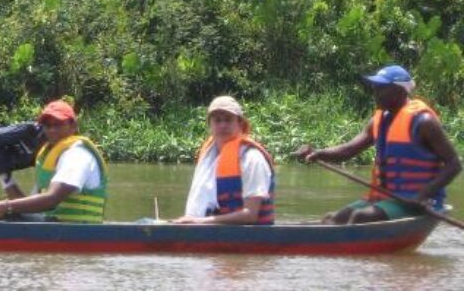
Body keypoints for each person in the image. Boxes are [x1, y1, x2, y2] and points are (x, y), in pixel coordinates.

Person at [296, 64, 461, 224]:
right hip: (386, 198)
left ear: (399, 91)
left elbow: (454, 164)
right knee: (331, 219)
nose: (375, 93)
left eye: (381, 88)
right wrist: (317, 153)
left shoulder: (424, 122)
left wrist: (422, 195)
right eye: (375, 87)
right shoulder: (378, 120)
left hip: (418, 202)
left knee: (361, 217)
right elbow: (349, 150)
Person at [0, 100, 108, 223]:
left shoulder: (77, 155)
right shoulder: (47, 156)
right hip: (55, 229)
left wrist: (4, 206)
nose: (52, 130)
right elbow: (27, 206)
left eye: (58, 124)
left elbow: (52, 199)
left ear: (73, 126)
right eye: (47, 125)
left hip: (78, 233)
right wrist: (4, 176)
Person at [174, 95, 275, 225]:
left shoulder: (252, 158)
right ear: (210, 125)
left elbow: (250, 215)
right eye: (217, 120)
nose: (222, 125)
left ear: (240, 124)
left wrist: (200, 221)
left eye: (228, 120)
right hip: (212, 231)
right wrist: (196, 221)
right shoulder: (209, 155)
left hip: (250, 238)